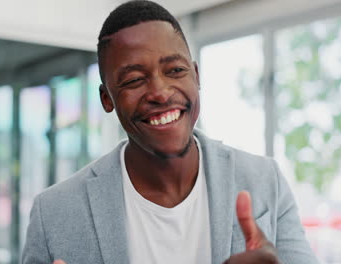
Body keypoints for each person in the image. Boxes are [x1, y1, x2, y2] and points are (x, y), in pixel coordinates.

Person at [22, 1, 319, 263]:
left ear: (197, 75)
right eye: (135, 80)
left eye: (175, 70)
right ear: (107, 99)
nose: (161, 93)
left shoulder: (264, 181)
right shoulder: (55, 213)